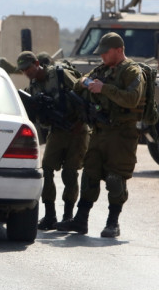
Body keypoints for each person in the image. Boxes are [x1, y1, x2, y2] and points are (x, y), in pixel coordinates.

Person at [56, 33, 144, 238]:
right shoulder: (102, 70)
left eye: (106, 52)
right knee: (90, 175)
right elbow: (80, 81)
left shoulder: (132, 71)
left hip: (121, 134)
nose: (102, 56)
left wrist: (104, 88)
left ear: (119, 50)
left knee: (115, 178)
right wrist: (87, 83)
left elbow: (132, 99)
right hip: (99, 132)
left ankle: (113, 223)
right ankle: (80, 220)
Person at [17, 51, 89, 230]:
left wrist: (81, 121)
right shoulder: (33, 86)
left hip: (77, 129)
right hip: (57, 130)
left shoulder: (58, 74)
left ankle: (68, 216)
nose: (26, 72)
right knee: (47, 168)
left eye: (28, 67)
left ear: (36, 63)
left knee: (70, 173)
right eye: (23, 70)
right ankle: (50, 215)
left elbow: (84, 95)